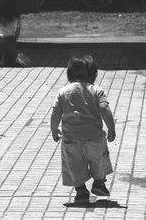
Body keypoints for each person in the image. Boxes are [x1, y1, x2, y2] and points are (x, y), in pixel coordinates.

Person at [50, 56, 116, 203]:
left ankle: (81, 191)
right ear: (93, 75)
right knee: (99, 160)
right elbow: (104, 108)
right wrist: (111, 128)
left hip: (71, 139)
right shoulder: (96, 90)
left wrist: (54, 129)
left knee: (74, 165)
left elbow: (55, 112)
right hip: (94, 137)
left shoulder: (63, 92)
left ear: (68, 75)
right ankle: (99, 182)